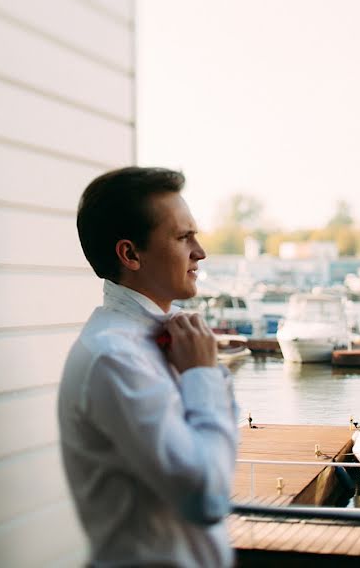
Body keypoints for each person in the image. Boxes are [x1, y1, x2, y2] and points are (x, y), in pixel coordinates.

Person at [57, 167, 239, 567]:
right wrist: (203, 376)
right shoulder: (114, 358)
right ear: (130, 254)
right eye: (182, 237)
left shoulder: (166, 341)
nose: (200, 252)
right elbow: (206, 500)